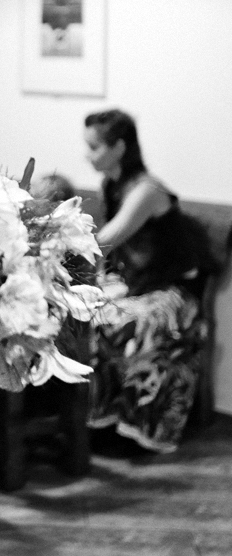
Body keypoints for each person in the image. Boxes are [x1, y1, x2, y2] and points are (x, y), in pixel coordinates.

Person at [84, 108, 212, 453]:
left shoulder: (147, 191)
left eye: (94, 147)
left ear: (119, 147)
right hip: (140, 285)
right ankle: (102, 420)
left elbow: (104, 241)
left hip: (174, 293)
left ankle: (138, 427)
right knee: (86, 316)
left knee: (125, 322)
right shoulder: (112, 185)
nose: (87, 155)